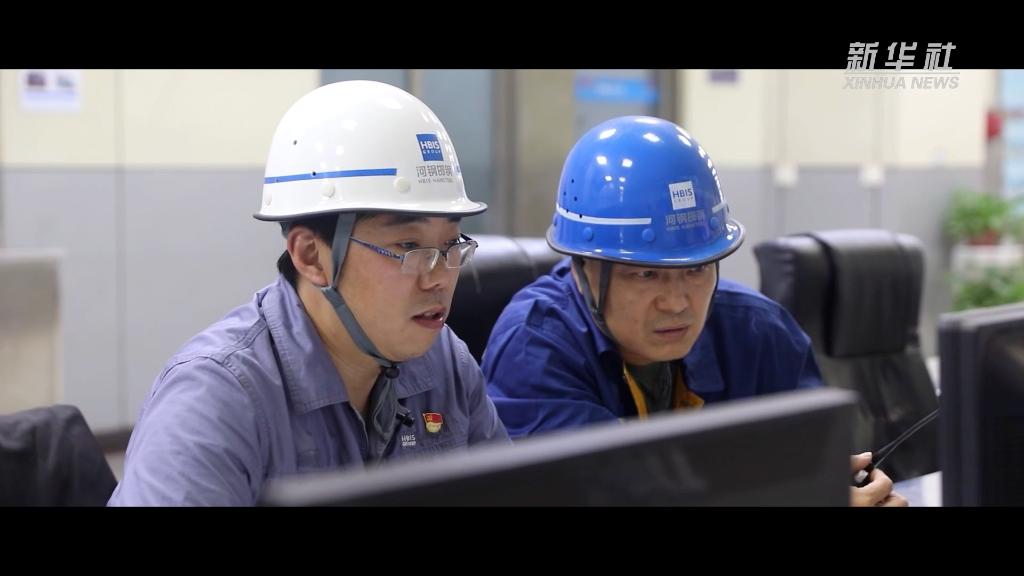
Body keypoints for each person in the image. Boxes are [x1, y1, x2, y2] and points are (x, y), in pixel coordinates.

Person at [109, 80, 508, 506]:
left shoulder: (444, 363)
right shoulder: (215, 400)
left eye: (450, 246)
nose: (439, 278)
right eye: (409, 246)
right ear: (311, 256)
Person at [482, 115, 905, 506]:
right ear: (582, 268)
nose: (678, 302)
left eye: (697, 268)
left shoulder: (760, 333)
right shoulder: (533, 349)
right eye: (646, 274)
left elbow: (815, 464)